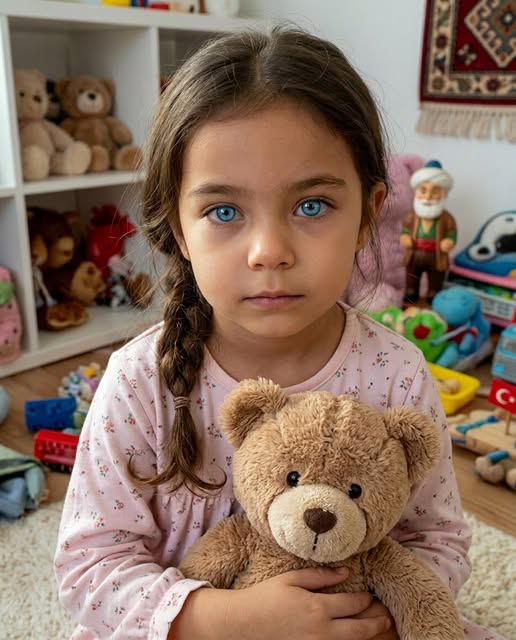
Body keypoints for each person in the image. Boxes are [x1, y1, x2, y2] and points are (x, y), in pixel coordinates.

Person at [55, 26, 504, 640]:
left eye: (311, 205)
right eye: (224, 211)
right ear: (180, 230)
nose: (269, 251)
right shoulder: (140, 381)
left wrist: (374, 620)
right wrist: (228, 619)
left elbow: (438, 539)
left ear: (368, 215)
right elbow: (90, 570)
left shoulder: (396, 374)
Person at [400, 159, 457, 303]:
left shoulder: (447, 218)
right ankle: (411, 292)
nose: (428, 196)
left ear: (444, 194)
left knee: (436, 278)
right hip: (414, 254)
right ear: (416, 192)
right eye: (423, 190)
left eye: (435, 191)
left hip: (436, 256)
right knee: (412, 277)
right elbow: (405, 230)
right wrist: (405, 237)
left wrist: (449, 240)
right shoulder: (411, 216)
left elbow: (452, 233)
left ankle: (433, 294)